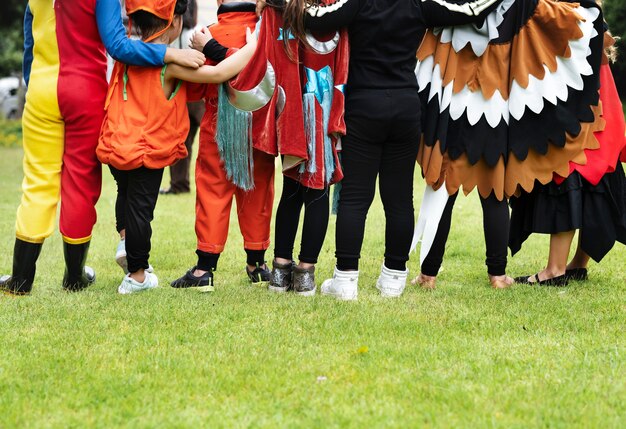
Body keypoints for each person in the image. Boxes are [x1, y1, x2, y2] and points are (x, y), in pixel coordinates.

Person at [258, 0, 504, 300]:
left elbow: (315, 19)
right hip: (405, 106)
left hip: (363, 107)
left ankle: (345, 280)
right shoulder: (419, 3)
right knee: (399, 198)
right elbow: (472, 11)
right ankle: (393, 280)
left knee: (355, 198)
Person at [0, 0, 204, 296]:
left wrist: (35, 86)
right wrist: (170, 52)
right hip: (84, 91)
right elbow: (118, 46)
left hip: (42, 91)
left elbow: (30, 44)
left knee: (37, 183)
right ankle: (74, 276)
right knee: (80, 183)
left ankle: (20, 279)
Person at [411, 0, 605, 289]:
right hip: (491, 101)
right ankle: (496, 275)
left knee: (447, 184)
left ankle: (429, 275)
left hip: (458, 96)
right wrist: (588, 9)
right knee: (492, 191)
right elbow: (549, 15)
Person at [97, 0, 258, 294]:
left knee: (127, 198)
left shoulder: (127, 55)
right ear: (173, 23)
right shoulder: (169, 65)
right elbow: (220, 74)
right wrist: (253, 47)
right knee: (141, 212)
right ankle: (137, 276)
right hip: (146, 149)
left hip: (116, 143)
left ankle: (126, 245)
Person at [170, 0, 277, 292]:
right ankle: (257, 263)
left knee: (212, 191)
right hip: (259, 128)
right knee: (258, 190)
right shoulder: (265, 30)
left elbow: (194, 90)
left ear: (219, 2)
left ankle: (204, 268)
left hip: (218, 123)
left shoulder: (209, 34)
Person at [509, 27, 626, 286]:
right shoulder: (592, 18)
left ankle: (555, 269)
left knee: (572, 179)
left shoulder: (576, 18)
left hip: (586, 116)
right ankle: (577, 265)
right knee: (593, 189)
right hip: (602, 114)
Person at [160, 0, 206, 195]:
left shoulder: (171, 36)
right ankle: (186, 184)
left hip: (184, 98)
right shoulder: (198, 35)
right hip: (201, 98)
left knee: (180, 143)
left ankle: (180, 184)